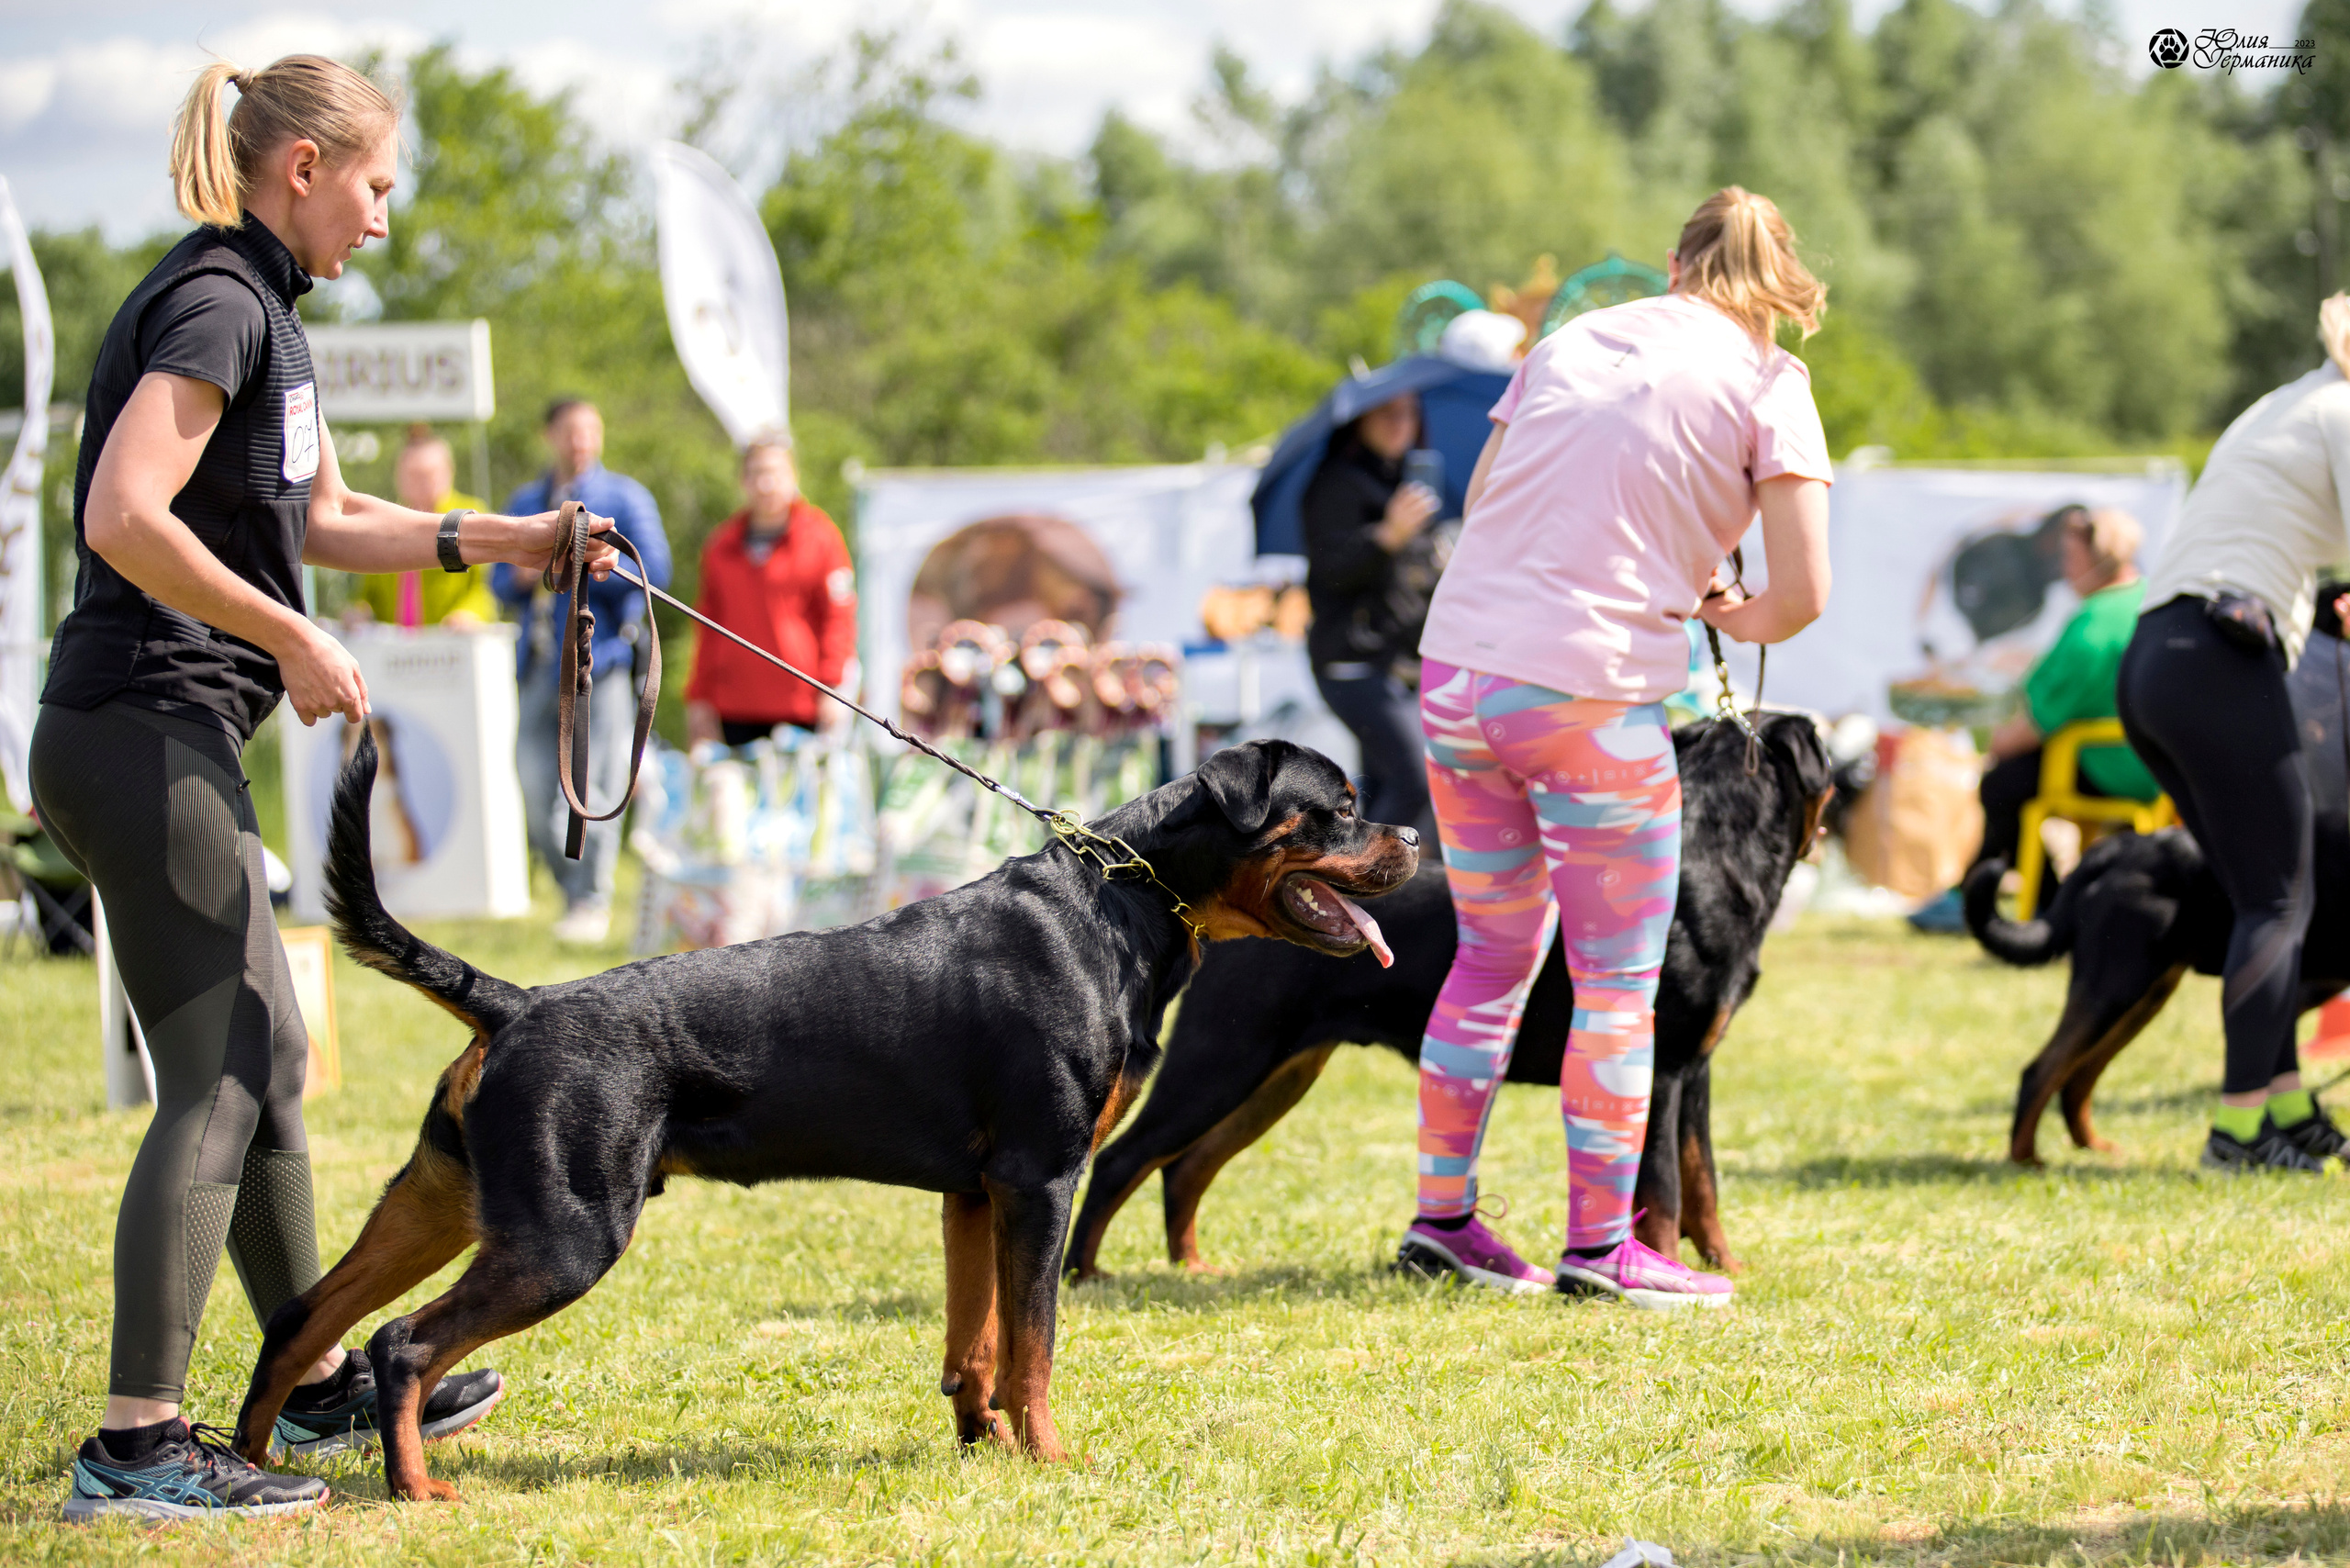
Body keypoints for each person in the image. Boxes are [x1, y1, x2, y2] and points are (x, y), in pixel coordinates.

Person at [30, 55, 615, 1521]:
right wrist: (288, 632)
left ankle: (313, 1380)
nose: (385, 215)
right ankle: (137, 1445)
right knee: (227, 1073)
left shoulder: (267, 316)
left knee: (268, 1058)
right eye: (376, 185)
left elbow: (334, 514)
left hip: (166, 732)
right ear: (302, 169)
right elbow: (121, 513)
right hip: (134, 726)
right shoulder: (218, 302)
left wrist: (512, 537)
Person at [1397, 187, 1833, 1307]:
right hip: (1586, 700)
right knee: (1617, 987)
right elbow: (1802, 596)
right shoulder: (1768, 383)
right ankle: (1602, 1247)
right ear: (1779, 286)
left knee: (1489, 961)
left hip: (1456, 677)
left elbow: (1488, 501)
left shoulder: (1573, 340)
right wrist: (1724, 607)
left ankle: (1443, 1219)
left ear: (1677, 266)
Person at [2116, 294, 2350, 1172]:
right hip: (2218, 659)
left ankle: (2284, 1107)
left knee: (2272, 891)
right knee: (2280, 900)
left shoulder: (2288, 403)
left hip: (2160, 659)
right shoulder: (2343, 408)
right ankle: (2237, 1134)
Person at [1909, 506, 2158, 931]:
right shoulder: (2151, 600)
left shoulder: (2093, 626)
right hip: (2157, 762)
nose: (2064, 569)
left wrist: (1993, 747)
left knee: (2004, 782)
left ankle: (2035, 903)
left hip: (2114, 765)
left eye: (2070, 558)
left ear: (2095, 557)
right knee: (2012, 780)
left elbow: (2031, 725)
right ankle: (1986, 893)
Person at [492, 398, 670, 945]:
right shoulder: (527, 499)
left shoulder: (625, 496)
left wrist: (592, 562)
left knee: (595, 780)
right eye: (570, 432)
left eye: (590, 431)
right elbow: (499, 582)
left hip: (602, 660)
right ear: (550, 436)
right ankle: (572, 891)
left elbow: (654, 571)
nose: (579, 442)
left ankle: (591, 899)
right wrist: (537, 569)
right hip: (541, 661)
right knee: (533, 777)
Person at [1303, 391, 1444, 834]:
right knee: (1414, 782)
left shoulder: (1407, 485)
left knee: (1385, 784)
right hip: (1353, 661)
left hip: (1397, 663)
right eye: (1386, 413)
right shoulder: (1336, 483)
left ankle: (1365, 891)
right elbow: (1331, 570)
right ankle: (1366, 883)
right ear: (1359, 421)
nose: (1399, 423)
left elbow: (1413, 583)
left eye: (1408, 412)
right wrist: (1385, 536)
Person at [683, 435, 857, 747]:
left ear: (794, 476)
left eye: (774, 472)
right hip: (734, 707)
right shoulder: (721, 545)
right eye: (756, 473)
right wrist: (699, 696)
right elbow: (707, 626)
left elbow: (839, 618)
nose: (765, 483)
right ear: (743, 480)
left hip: (803, 706)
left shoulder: (821, 538)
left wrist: (833, 687)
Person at [348, 426, 498, 627]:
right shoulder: (385, 520)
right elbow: (367, 595)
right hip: (394, 650)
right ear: (398, 477)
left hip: (449, 648)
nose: (422, 483)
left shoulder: (470, 516)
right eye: (413, 475)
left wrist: (468, 615)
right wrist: (358, 612)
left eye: (429, 474)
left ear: (449, 472)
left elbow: (485, 589)